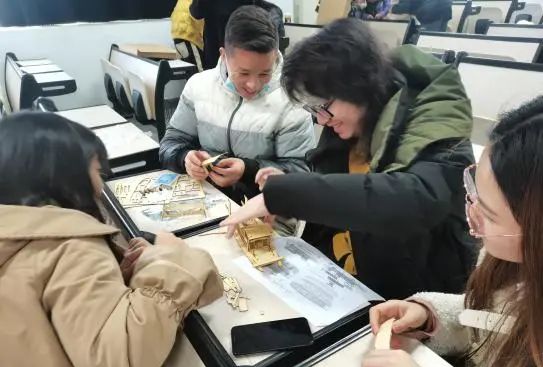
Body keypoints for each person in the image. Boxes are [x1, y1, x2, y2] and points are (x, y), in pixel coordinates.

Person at [221, 18, 478, 300]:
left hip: (411, 296)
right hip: (344, 281)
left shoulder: (438, 119)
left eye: (323, 106)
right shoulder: (353, 118)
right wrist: (291, 184)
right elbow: (336, 185)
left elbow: (415, 200)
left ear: (356, 85)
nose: (321, 120)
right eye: (314, 109)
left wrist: (285, 195)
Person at [0, 112, 222, 367]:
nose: (101, 187)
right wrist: (172, 258)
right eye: (97, 172)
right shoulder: (70, 243)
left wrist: (119, 273)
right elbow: (121, 362)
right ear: (67, 177)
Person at [362, 96, 543, 367]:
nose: (471, 212)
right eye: (474, 191)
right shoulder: (508, 258)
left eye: (489, 214)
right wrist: (428, 316)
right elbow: (492, 319)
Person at [160, 6, 315, 204]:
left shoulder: (292, 100)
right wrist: (184, 158)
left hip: (262, 208)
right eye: (243, 73)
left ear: (275, 57)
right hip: (207, 203)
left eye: (265, 73)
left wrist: (248, 171)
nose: (253, 85)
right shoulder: (198, 86)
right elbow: (169, 144)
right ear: (224, 55)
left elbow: (301, 174)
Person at [171, 0, 205, 72]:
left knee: (187, 69)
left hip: (177, 35)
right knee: (198, 70)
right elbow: (198, 18)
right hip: (188, 37)